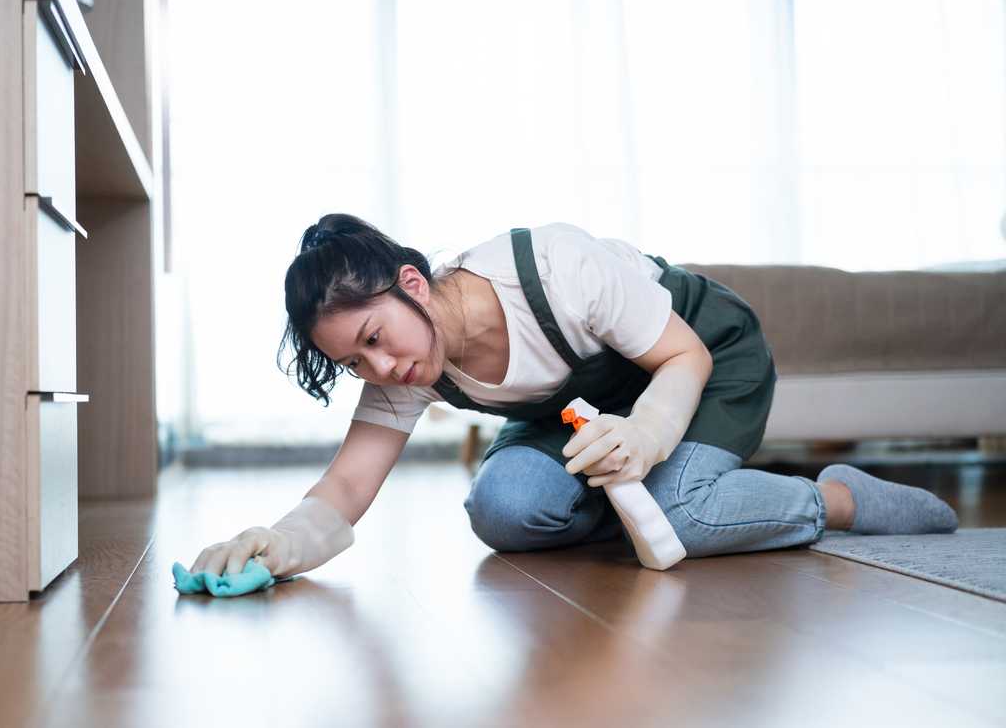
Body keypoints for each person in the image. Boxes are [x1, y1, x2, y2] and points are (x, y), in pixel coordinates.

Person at [188, 214, 959, 579]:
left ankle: (835, 500)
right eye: (355, 362)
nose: (382, 367)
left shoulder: (553, 269)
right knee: (504, 506)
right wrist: (276, 544)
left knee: (684, 513)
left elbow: (681, 357)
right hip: (583, 418)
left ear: (412, 285)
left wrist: (649, 439)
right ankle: (638, 500)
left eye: (377, 336)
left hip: (698, 358)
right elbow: (349, 483)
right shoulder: (413, 367)